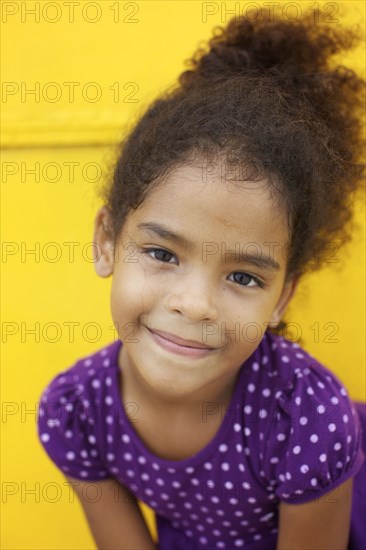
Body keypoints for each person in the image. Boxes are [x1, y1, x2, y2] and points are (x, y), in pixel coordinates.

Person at [36, 7, 366, 550]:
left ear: (283, 297)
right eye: (163, 254)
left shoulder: (307, 419)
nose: (195, 305)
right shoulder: (76, 412)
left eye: (242, 275)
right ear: (107, 240)